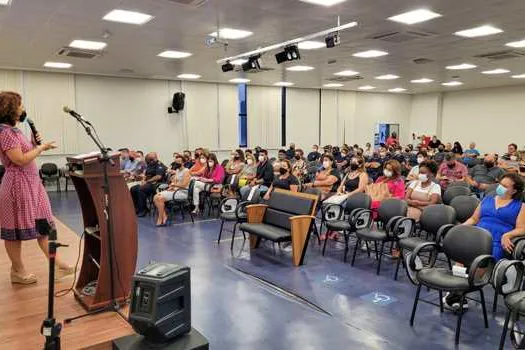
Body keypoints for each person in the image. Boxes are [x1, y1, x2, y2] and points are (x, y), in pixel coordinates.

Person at [0, 91, 73, 284]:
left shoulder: (15, 131)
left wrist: (33, 143)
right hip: (17, 186)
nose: (23, 108)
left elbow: (25, 153)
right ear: (10, 109)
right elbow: (19, 160)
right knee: (14, 231)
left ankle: (59, 266)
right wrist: (41, 148)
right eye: (20, 105)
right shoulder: (5, 132)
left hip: (32, 183)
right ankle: (17, 271)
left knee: (44, 225)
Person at [445, 173, 525, 310]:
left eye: (505, 186)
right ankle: (457, 290)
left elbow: (522, 229)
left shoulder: (520, 206)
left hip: (497, 241)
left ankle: (459, 292)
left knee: (481, 263)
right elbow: (474, 219)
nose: (500, 187)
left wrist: (508, 235)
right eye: (500, 184)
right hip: (477, 236)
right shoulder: (487, 199)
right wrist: (460, 227)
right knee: (461, 255)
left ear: (514, 190)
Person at [153, 154, 191, 226]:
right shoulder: (177, 171)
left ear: (183, 163)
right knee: (155, 197)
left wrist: (174, 185)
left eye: (179, 162)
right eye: (176, 162)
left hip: (183, 192)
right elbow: (175, 181)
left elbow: (184, 185)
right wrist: (172, 186)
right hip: (175, 190)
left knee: (159, 198)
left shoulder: (186, 171)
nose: (177, 163)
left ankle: (160, 218)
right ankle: (164, 216)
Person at [130, 152, 167, 216]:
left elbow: (158, 177)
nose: (148, 162)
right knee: (133, 189)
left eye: (149, 160)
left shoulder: (159, 165)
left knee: (141, 189)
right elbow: (146, 175)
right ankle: (137, 208)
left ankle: (143, 210)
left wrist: (147, 181)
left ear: (153, 159)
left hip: (157, 184)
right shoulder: (150, 165)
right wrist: (143, 180)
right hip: (149, 183)